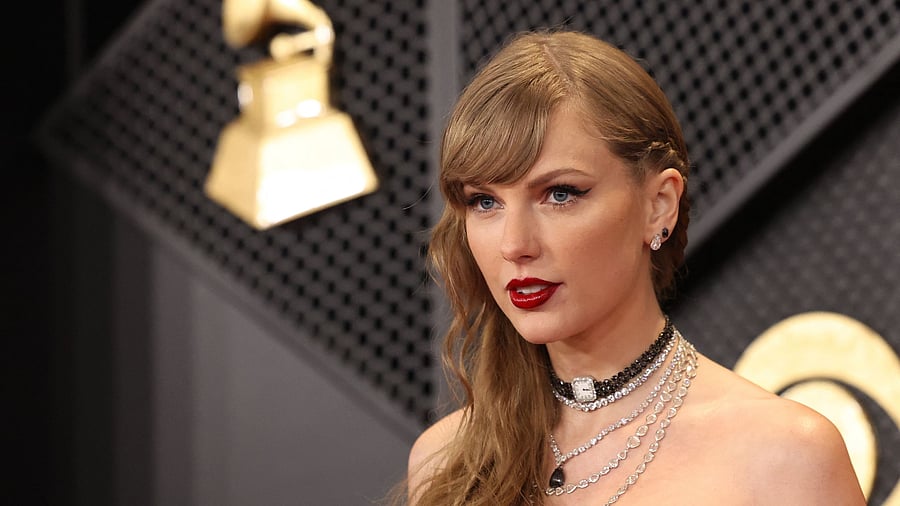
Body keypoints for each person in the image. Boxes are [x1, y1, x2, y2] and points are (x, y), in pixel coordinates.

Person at [405, 30, 865, 505]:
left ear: (659, 206)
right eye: (485, 202)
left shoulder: (786, 458)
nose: (514, 245)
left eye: (560, 194)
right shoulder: (445, 462)